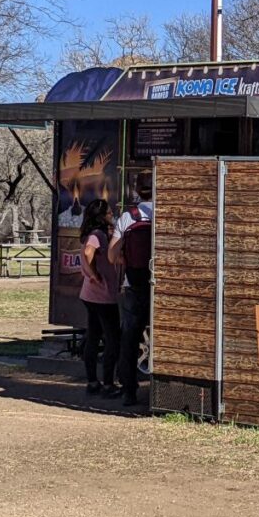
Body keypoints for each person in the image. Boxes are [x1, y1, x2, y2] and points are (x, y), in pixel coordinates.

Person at [109, 174, 153, 407]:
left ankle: (129, 390)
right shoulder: (168, 212)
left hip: (135, 285)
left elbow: (111, 254)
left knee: (129, 338)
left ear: (136, 190)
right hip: (162, 287)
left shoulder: (129, 217)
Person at [78, 199, 121, 397]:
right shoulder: (97, 235)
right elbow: (88, 252)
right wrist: (95, 274)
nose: (112, 215)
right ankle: (108, 383)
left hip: (89, 295)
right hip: (102, 296)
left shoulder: (92, 233)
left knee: (93, 336)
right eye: (109, 212)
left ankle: (92, 381)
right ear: (101, 216)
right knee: (112, 339)